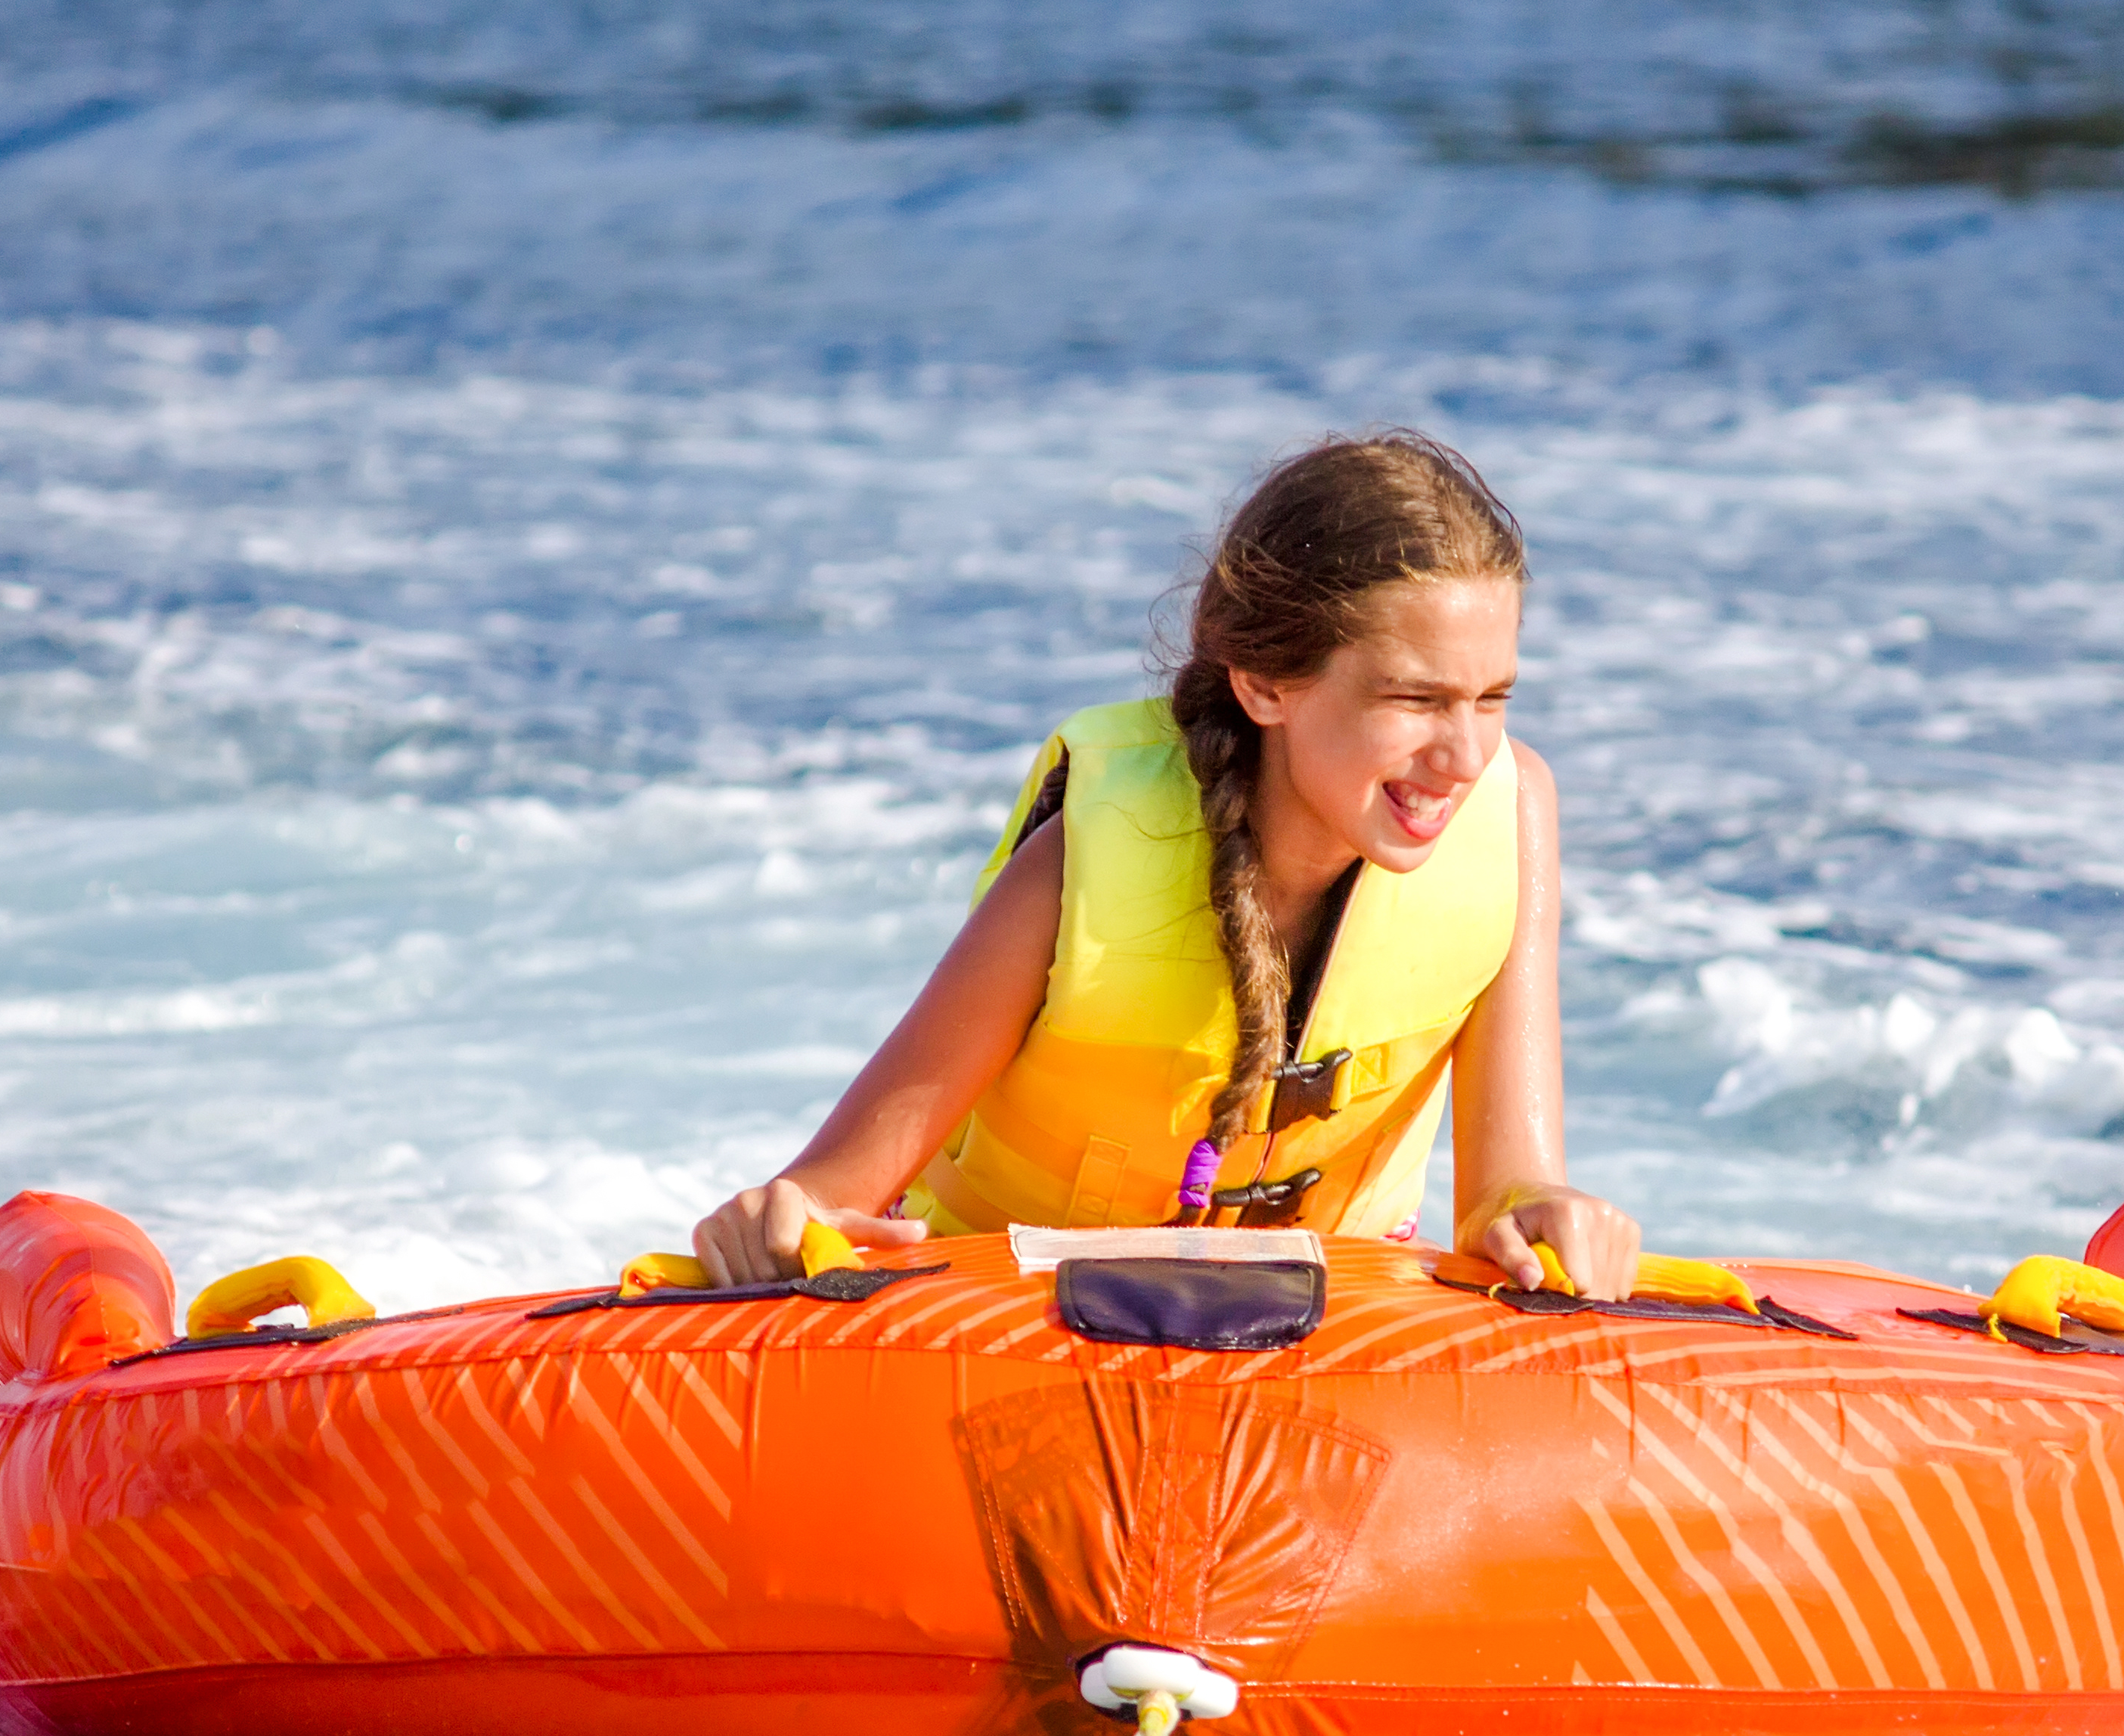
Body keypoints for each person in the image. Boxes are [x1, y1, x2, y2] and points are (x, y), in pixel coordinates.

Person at [689, 431, 1642, 1296]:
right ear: (1267, 683)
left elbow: (1506, 1193)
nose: (1467, 755)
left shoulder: (1511, 809)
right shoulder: (1088, 860)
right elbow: (827, 1194)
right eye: (1416, 698)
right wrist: (774, 1219)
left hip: (1331, 1334)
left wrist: (1542, 1213)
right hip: (1011, 1329)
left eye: (1492, 698)